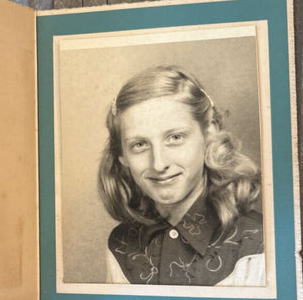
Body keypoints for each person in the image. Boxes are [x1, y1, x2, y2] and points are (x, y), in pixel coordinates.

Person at [98, 66, 265, 286]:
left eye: (175, 137)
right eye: (139, 145)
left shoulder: (259, 246)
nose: (159, 164)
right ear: (122, 156)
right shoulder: (121, 245)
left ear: (210, 133)